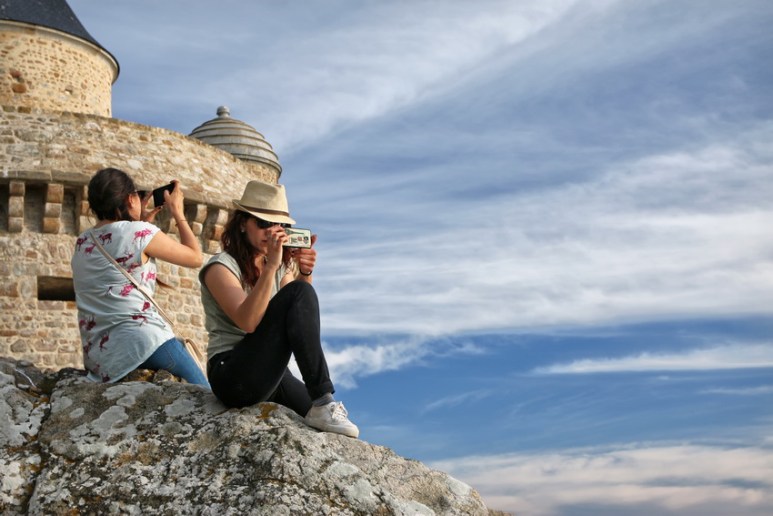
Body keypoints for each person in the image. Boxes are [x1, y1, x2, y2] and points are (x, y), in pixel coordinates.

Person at [200, 180, 359, 438]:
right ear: (243, 224)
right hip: (232, 373)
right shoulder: (220, 267)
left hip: (271, 372)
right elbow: (248, 321)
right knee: (298, 291)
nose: (272, 232)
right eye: (264, 223)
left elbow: (297, 313)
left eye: (281, 226)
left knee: (329, 428)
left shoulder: (278, 268)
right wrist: (272, 266)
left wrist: (304, 272)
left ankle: (323, 402)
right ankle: (322, 397)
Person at [71, 167, 209, 387]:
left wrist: (141, 223)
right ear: (129, 199)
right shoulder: (139, 232)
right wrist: (178, 212)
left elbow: (123, 249)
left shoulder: (83, 241)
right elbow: (195, 257)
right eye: (137, 195)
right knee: (206, 396)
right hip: (145, 342)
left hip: (102, 358)